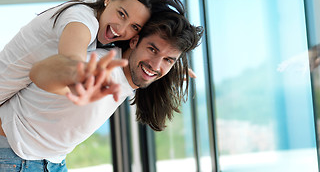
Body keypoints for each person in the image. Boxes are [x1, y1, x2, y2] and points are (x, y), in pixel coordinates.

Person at [0, 11, 203, 171]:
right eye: (152, 49)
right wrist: (76, 76)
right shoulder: (96, 66)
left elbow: (157, 67)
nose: (156, 64)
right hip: (15, 155)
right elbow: (43, 74)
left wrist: (172, 71)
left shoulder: (133, 74)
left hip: (51, 160)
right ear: (134, 41)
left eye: (168, 60)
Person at [0, 0, 186, 105]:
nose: (121, 29)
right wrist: (78, 78)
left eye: (134, 27)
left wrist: (162, 61)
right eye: (121, 14)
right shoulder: (81, 20)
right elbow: (72, 57)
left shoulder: (99, 20)